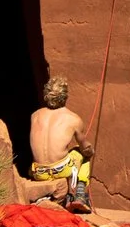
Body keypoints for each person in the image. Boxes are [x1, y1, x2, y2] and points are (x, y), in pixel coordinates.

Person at [26, 76, 94, 212]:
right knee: (83, 152)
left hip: (38, 172)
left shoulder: (34, 115)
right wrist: (90, 151)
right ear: (65, 96)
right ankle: (80, 194)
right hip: (61, 170)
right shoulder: (73, 119)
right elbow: (85, 147)